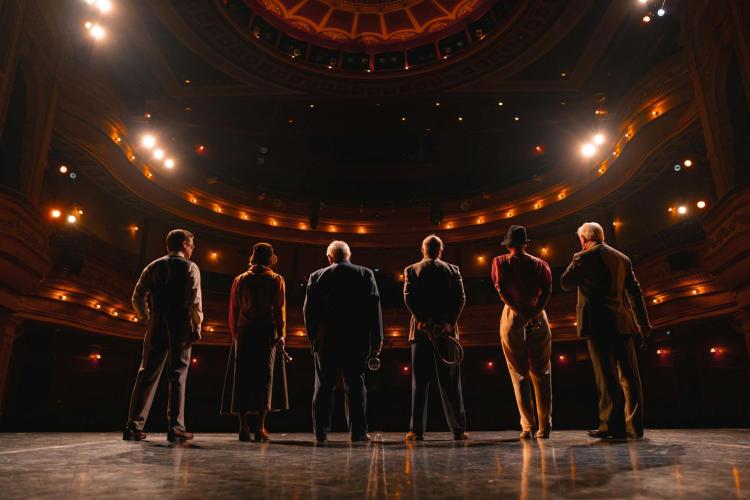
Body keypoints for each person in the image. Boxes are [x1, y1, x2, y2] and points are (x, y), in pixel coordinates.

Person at [560, 222, 652, 440]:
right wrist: (643, 323)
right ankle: (634, 427)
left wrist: (576, 260)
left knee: (606, 377)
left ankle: (611, 426)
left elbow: (565, 283)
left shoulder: (584, 257)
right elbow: (635, 293)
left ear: (584, 238)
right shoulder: (622, 258)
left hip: (597, 323)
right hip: (623, 322)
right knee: (630, 376)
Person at [123, 229, 203, 443]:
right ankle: (176, 427)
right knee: (178, 374)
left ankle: (133, 425)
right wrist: (197, 326)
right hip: (180, 321)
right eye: (192, 244)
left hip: (157, 320)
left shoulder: (153, 265)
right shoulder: (190, 267)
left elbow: (137, 296)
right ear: (184, 244)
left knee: (146, 372)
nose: (193, 248)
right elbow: (194, 300)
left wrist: (147, 318)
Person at [303, 240, 383, 443]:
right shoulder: (365, 274)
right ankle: (359, 432)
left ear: (329, 258)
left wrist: (313, 337)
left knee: (323, 387)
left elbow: (308, 311)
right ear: (349, 255)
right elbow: (374, 308)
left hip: (326, 340)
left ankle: (321, 432)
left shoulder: (317, 276)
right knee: (356, 386)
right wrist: (377, 338)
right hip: (356, 340)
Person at [221, 242, 289, 442]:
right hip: (267, 332)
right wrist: (281, 334)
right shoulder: (277, 279)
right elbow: (279, 310)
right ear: (269, 260)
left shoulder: (239, 280)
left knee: (242, 377)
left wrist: (235, 334)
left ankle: (242, 427)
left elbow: (233, 311)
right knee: (264, 378)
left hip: (244, 331)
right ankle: (260, 427)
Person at [403, 235, 468, 441]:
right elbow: (460, 299)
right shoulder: (453, 270)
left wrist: (423, 321)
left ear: (423, 249)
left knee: (419, 383)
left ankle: (416, 430)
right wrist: (448, 323)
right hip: (446, 332)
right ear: (440, 250)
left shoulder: (411, 270)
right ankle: (458, 429)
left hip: (421, 332)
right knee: (450, 382)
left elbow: (409, 297)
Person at [491, 225, 553, 439]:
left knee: (519, 374)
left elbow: (501, 291)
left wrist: (521, 312)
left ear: (508, 245)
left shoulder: (500, 261)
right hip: (537, 314)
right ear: (526, 244)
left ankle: (529, 426)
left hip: (513, 316)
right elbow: (547, 290)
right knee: (541, 372)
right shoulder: (540, 264)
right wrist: (535, 312)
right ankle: (543, 426)